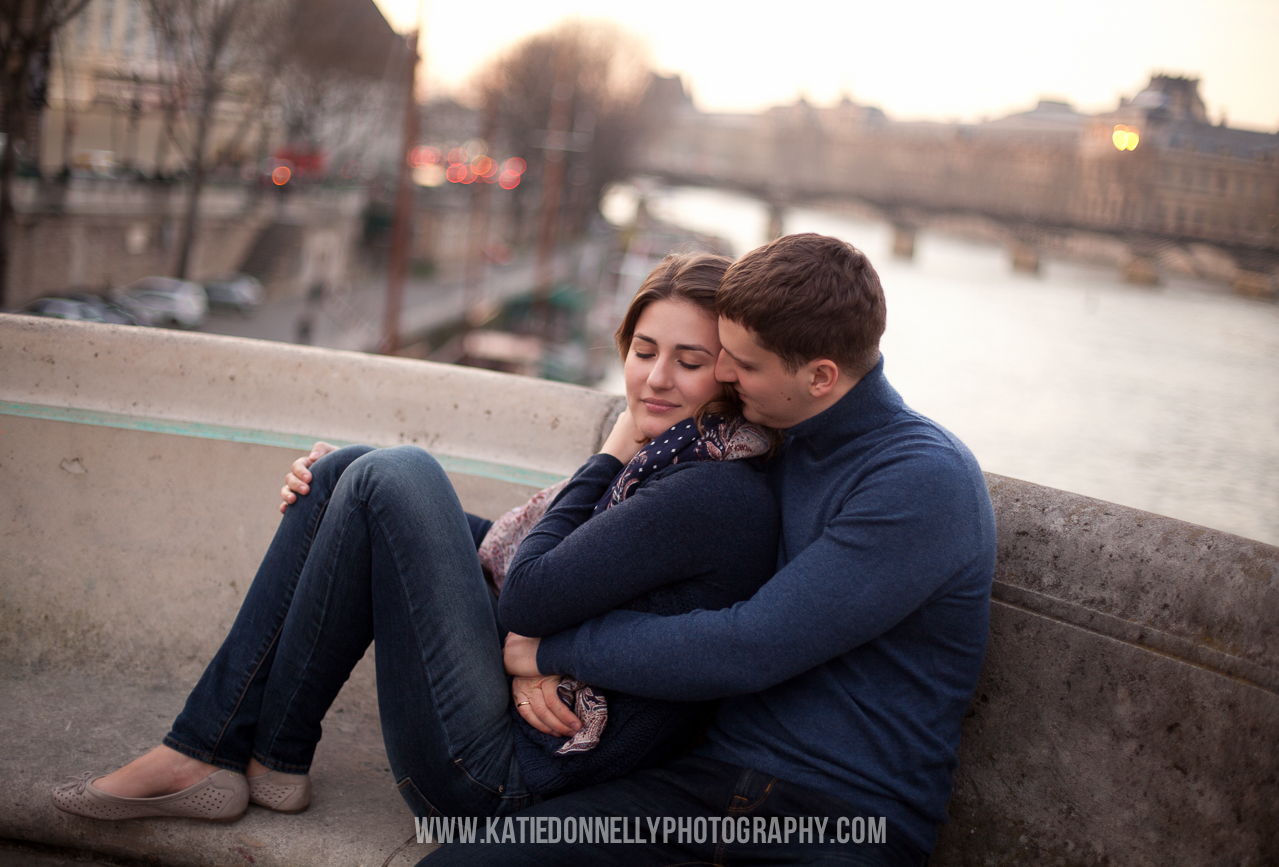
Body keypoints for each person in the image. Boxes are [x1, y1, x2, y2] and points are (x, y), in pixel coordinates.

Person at [51, 252, 780, 822]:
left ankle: (201, 751)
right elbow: (552, 573)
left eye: (687, 362)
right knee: (346, 472)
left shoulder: (707, 489)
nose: (654, 379)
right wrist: (347, 496)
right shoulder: (685, 461)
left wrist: (609, 448)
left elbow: (528, 588)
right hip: (514, 735)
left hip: (500, 779)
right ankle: (267, 762)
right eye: (643, 349)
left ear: (731, 374)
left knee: (397, 473)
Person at [423, 233, 997, 867]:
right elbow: (600, 555)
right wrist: (399, 504)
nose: (724, 373)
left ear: (821, 377)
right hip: (704, 786)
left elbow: (747, 646)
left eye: (744, 364)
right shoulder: (775, 441)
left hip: (839, 819)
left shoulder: (920, 481)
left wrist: (551, 648)